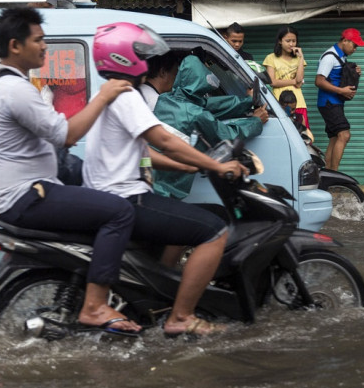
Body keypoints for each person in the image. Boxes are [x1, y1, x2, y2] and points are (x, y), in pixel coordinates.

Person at [0, 7, 140, 335]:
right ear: (15, 46)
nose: (45, 47)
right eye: (38, 40)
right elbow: (67, 134)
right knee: (120, 212)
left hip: (20, 190)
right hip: (28, 195)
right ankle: (94, 307)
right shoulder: (16, 90)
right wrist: (105, 95)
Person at [84, 22, 246, 337]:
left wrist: (184, 165)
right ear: (124, 58)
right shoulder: (128, 96)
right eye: (143, 54)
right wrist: (217, 166)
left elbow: (142, 150)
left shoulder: (110, 94)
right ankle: (181, 316)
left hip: (113, 193)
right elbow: (167, 141)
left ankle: (160, 292)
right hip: (127, 197)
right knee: (214, 231)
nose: (150, 61)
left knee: (183, 221)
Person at [153, 55, 267, 199]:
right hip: (165, 190)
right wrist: (256, 121)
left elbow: (210, 105)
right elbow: (228, 134)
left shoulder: (166, 99)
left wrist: (246, 101)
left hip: (152, 179)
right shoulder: (196, 114)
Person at [315, 28, 364, 170]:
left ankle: (328, 173)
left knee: (335, 138)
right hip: (328, 102)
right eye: (354, 45)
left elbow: (338, 75)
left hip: (335, 102)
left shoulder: (341, 56)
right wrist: (341, 91)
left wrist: (354, 72)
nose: (355, 49)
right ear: (345, 40)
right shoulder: (329, 57)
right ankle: (335, 174)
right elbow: (319, 81)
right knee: (344, 134)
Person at [263, 26, 310, 128]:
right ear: (280, 41)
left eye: (294, 41)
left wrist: (301, 58)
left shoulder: (298, 59)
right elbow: (272, 82)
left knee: (302, 134)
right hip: (280, 103)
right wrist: (294, 82)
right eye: (288, 41)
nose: (291, 44)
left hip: (298, 103)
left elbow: (299, 79)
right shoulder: (271, 58)